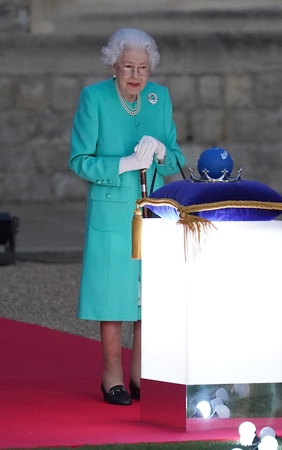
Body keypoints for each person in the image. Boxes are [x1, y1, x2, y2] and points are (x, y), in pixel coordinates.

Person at [68, 28, 185, 406]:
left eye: (143, 68)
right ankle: (112, 377)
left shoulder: (158, 98)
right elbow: (79, 160)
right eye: (128, 67)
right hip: (112, 213)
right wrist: (124, 164)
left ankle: (141, 375)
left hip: (154, 212)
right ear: (114, 65)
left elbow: (176, 160)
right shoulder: (94, 98)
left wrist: (162, 152)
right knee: (113, 296)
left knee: (149, 297)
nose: (136, 75)